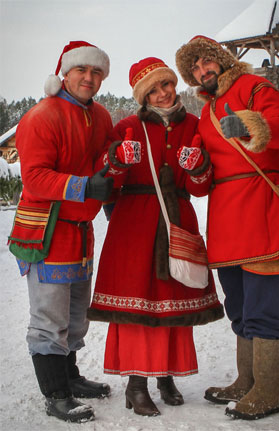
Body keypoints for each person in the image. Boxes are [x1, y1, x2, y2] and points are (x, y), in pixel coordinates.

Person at [175, 35, 279, 420]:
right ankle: (246, 379)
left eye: (205, 63)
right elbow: (203, 178)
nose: (202, 71)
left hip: (261, 208)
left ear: (221, 60)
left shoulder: (254, 87)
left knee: (264, 302)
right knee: (239, 302)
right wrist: (196, 167)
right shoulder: (206, 111)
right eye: (194, 69)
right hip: (226, 218)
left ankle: (268, 389)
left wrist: (250, 125)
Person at [87, 56, 224, 417]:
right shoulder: (128, 126)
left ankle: (166, 376)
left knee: (172, 297)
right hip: (134, 226)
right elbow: (108, 176)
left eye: (166, 84)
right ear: (142, 96)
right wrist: (117, 157)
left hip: (177, 221)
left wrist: (198, 167)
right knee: (137, 303)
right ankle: (136, 385)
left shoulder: (195, 124)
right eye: (154, 90)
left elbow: (201, 187)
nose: (164, 93)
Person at [9, 40, 115, 423]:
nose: (89, 78)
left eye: (96, 72)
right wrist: (85, 186)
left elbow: (104, 157)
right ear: (65, 73)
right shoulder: (42, 116)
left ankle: (69, 376)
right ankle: (55, 394)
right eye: (81, 71)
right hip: (46, 231)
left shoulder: (101, 115)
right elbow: (35, 179)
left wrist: (113, 166)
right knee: (49, 317)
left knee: (75, 316)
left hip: (80, 231)